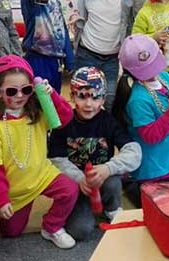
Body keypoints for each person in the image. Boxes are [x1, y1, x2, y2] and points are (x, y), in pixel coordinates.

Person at [0, 55, 79, 249]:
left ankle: (51, 227)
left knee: (70, 190)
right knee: (10, 233)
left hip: (42, 175)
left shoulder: (38, 113)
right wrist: (1, 198)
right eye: (11, 91)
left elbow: (65, 119)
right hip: (15, 188)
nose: (19, 96)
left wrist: (52, 96)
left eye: (26, 90)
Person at [48, 67, 141, 241]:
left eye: (95, 96)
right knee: (80, 231)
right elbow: (55, 159)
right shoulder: (63, 123)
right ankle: (81, 207)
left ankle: (111, 207)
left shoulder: (109, 122)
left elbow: (134, 152)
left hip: (102, 181)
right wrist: (78, 178)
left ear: (103, 99)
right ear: (72, 96)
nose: (89, 104)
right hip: (76, 187)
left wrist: (107, 168)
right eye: (82, 96)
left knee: (113, 180)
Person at [113, 34, 169, 207]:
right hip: (150, 170)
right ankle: (128, 186)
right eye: (146, 70)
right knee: (157, 211)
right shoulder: (138, 99)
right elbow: (149, 136)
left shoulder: (165, 78)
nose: (152, 73)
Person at [72, 0, 145, 110]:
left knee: (108, 99)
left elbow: (139, 15)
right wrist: (75, 20)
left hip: (112, 58)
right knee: (85, 97)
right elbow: (82, 19)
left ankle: (105, 132)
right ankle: (87, 131)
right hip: (87, 53)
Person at [18, 0, 75, 92]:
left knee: (55, 97)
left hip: (55, 60)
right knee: (40, 99)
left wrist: (69, 58)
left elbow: (62, 29)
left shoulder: (53, 0)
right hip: (38, 57)